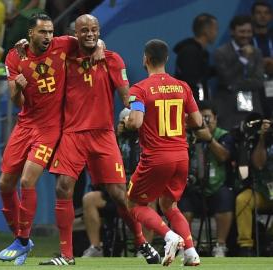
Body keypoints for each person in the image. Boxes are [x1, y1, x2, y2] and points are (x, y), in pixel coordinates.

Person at [39, 15, 160, 266]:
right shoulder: (64, 55)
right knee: (63, 187)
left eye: (94, 30)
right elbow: (43, 42)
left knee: (118, 193)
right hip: (72, 134)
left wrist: (139, 110)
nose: (90, 35)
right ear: (76, 33)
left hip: (103, 135)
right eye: (84, 30)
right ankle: (66, 255)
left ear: (99, 31)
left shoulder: (112, 60)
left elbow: (128, 96)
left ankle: (141, 242)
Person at [0, 13, 103, 266]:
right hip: (25, 125)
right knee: (4, 184)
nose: (48, 37)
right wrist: (19, 87)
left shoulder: (63, 44)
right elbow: (16, 100)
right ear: (30, 33)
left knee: (27, 180)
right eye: (43, 32)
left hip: (50, 127)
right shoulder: (14, 56)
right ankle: (20, 239)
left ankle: (22, 241)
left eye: (50, 32)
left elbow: (90, 40)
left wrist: (100, 45)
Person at [125, 39, 203, 266]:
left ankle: (169, 237)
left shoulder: (138, 89)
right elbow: (197, 120)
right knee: (170, 205)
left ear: (145, 59)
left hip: (157, 157)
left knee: (134, 205)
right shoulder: (182, 86)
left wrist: (128, 120)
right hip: (181, 156)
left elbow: (136, 122)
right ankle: (190, 252)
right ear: (167, 59)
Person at [81, 108, 156, 258]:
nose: (129, 123)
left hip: (140, 190)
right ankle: (96, 248)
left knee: (150, 201)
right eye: (125, 120)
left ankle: (145, 247)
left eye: (132, 120)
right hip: (117, 190)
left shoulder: (148, 139)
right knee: (89, 199)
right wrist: (115, 136)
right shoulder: (113, 140)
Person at [178, 101, 235, 257]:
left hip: (216, 188)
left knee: (225, 196)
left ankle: (220, 246)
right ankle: (186, 246)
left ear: (216, 119)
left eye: (207, 118)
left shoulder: (224, 135)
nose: (203, 122)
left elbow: (224, 156)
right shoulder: (188, 134)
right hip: (194, 188)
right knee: (182, 201)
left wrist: (209, 140)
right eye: (200, 118)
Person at [213, 15, 264, 130]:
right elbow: (226, 79)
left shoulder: (256, 53)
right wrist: (243, 59)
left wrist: (235, 85)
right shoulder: (221, 53)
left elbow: (259, 82)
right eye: (242, 31)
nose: (246, 35)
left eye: (249, 31)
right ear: (232, 32)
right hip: (228, 108)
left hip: (253, 107)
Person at [235, 116, 273, 256]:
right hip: (263, 192)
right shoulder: (257, 140)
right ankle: (245, 246)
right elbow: (258, 164)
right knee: (242, 200)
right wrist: (262, 138)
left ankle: (270, 238)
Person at [174, 13, 218, 102]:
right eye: (215, 29)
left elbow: (201, 74)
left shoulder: (200, 52)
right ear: (206, 30)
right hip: (192, 109)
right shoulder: (190, 52)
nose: (216, 33)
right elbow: (191, 82)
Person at [251, 0, 273, 119]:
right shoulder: (247, 38)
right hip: (255, 88)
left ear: (271, 16)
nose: (262, 16)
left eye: (266, 13)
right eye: (258, 13)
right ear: (253, 16)